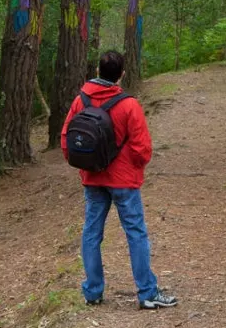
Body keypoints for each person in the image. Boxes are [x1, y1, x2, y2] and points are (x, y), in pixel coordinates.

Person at [60, 50, 178, 309]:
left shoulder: (81, 100)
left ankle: (93, 291)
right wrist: (135, 167)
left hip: (92, 179)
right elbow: (142, 148)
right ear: (121, 74)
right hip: (124, 181)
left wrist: (84, 165)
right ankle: (147, 293)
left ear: (98, 71)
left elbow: (67, 138)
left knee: (91, 233)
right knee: (135, 233)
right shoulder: (128, 105)